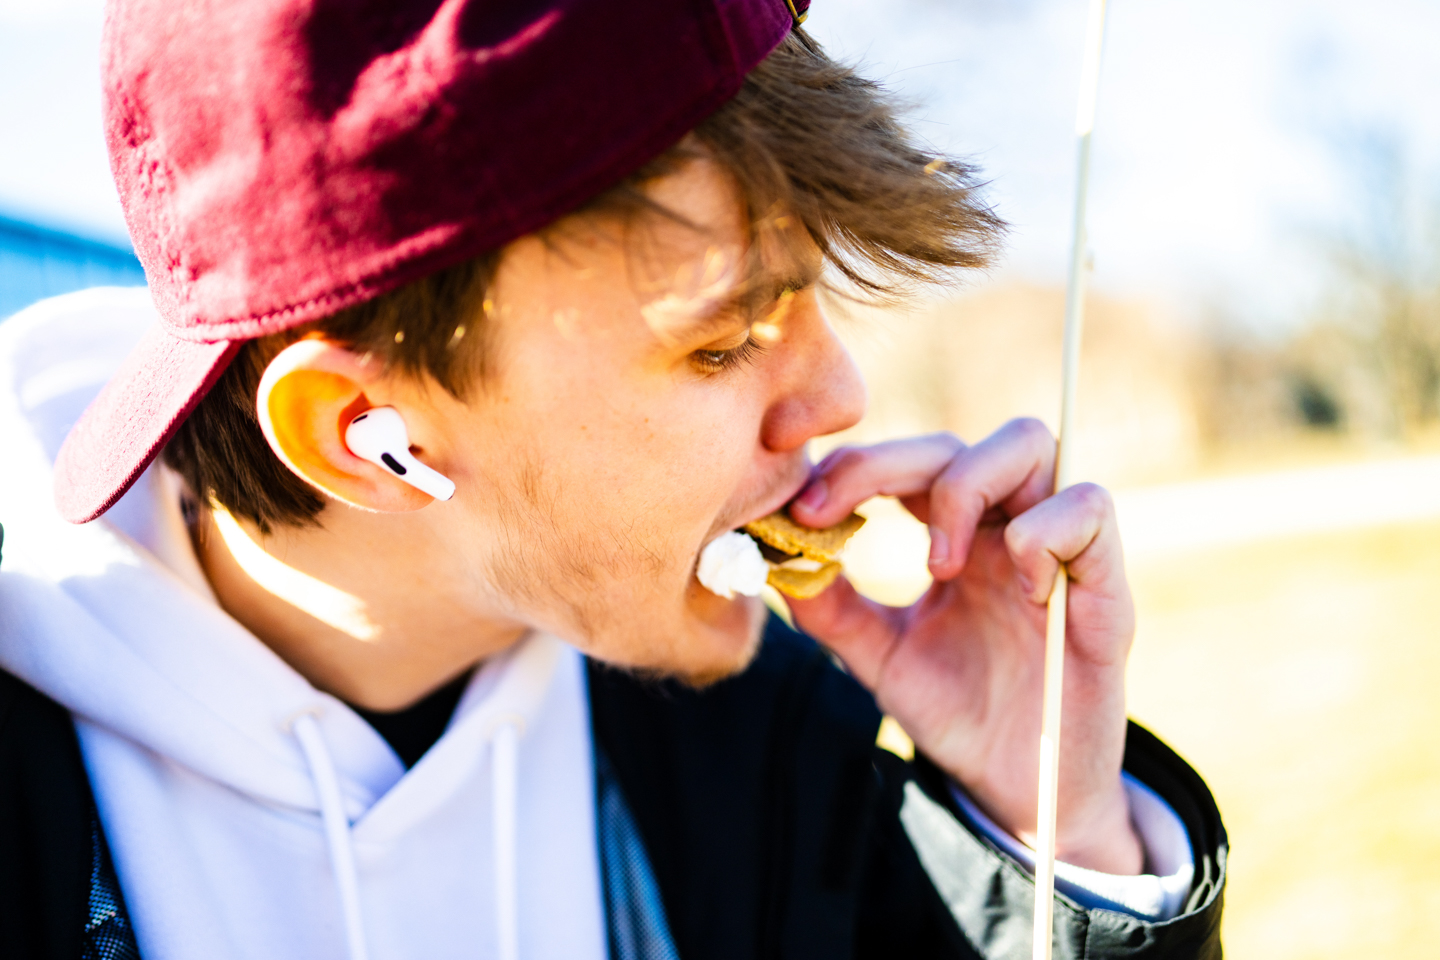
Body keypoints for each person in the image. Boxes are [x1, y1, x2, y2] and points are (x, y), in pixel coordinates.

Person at [0, 1, 1226, 958]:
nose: (839, 397)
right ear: (365, 429)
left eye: (813, 299)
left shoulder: (773, 736)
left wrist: (1054, 834)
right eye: (723, 340)